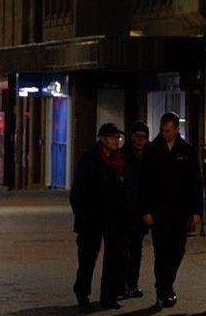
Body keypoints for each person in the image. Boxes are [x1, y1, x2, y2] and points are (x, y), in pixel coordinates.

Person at [69, 122, 134, 311]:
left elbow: (125, 190)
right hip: (91, 220)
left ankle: (109, 297)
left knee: (114, 260)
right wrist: (83, 216)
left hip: (114, 219)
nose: (117, 141)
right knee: (88, 259)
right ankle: (82, 292)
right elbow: (78, 192)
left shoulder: (120, 161)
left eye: (118, 138)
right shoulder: (89, 159)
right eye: (113, 137)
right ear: (103, 139)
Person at [140, 112, 202, 309]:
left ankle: (166, 284)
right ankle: (163, 291)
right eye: (162, 130)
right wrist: (145, 210)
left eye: (168, 130)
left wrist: (196, 211)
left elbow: (195, 182)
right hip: (159, 211)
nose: (165, 134)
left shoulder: (187, 150)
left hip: (180, 211)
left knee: (178, 249)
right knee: (162, 252)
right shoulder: (152, 150)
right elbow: (144, 183)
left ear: (176, 129)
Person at [119, 121, 150, 300]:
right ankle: (122, 284)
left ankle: (132, 283)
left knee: (136, 250)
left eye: (143, 137)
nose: (139, 140)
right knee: (123, 250)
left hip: (140, 212)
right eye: (137, 137)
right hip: (125, 211)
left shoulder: (149, 157)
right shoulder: (123, 156)